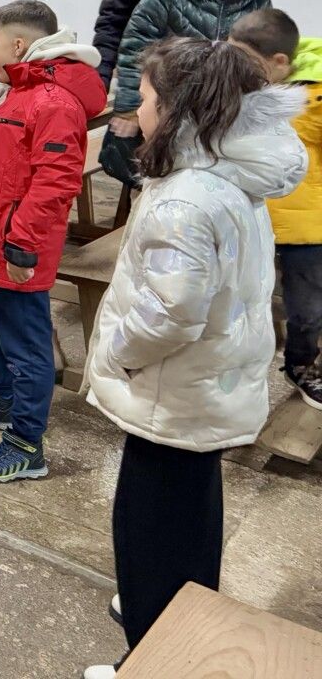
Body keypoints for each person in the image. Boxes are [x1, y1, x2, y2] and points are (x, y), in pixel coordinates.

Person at [82, 39, 305, 679]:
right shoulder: (227, 175)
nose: (138, 109)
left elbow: (170, 313)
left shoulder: (186, 198)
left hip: (172, 385)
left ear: (181, 112)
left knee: (147, 526)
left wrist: (120, 354)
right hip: (208, 381)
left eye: (148, 99)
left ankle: (153, 653)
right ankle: (178, 611)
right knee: (191, 509)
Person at [0, 1, 105, 484]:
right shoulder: (23, 91)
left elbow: (55, 182)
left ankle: (25, 443)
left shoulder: (53, 102)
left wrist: (22, 246)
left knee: (27, 347)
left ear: (18, 44)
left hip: (17, 251)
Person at [109, 0, 273, 182]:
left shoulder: (257, 2)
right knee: (159, 182)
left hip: (226, 112)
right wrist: (129, 109)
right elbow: (134, 51)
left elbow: (261, 58)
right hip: (170, 108)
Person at [229, 9, 322, 409]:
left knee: (308, 309)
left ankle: (301, 365)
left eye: (246, 63)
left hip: (307, 225)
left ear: (280, 63)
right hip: (254, 214)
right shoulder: (245, 86)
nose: (236, 70)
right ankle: (241, 370)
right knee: (244, 301)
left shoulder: (314, 99)